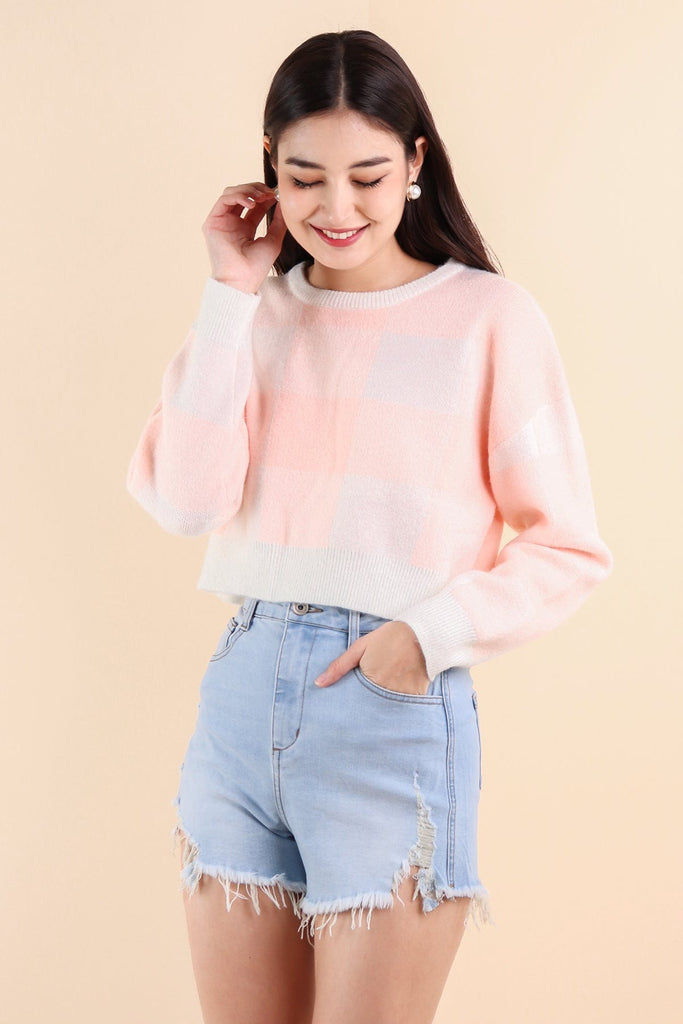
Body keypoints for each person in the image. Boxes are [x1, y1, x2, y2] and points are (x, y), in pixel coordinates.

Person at [125, 28, 614, 1024]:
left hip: (389, 711)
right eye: (304, 178)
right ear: (269, 167)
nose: (336, 209)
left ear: (416, 162)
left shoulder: (489, 320)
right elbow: (184, 501)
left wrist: (421, 639)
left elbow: (566, 545)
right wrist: (228, 293)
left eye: (367, 176)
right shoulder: (250, 316)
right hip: (239, 707)